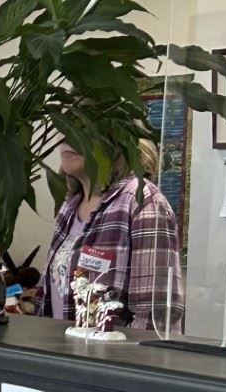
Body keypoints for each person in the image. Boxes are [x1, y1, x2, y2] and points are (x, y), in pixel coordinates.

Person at [46, 138, 182, 333]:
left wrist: (113, 351)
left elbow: (154, 316)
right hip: (64, 348)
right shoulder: (70, 205)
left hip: (109, 351)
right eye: (63, 130)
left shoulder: (142, 201)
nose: (65, 140)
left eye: (81, 130)